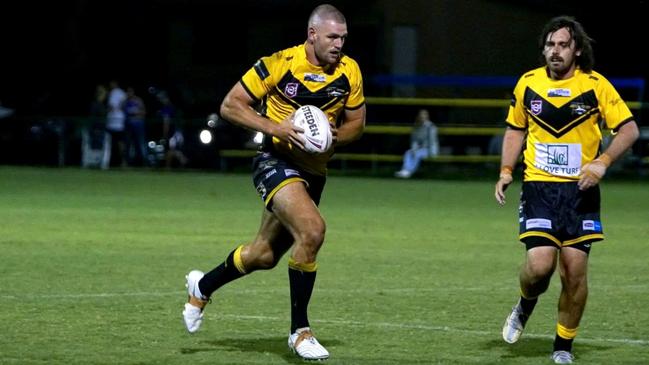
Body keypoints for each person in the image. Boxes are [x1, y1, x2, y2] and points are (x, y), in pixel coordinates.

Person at [182, 4, 365, 361]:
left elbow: (357, 123)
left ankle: (201, 286)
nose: (339, 44)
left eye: (343, 37)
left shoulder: (350, 71)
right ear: (313, 34)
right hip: (275, 161)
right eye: (332, 37)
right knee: (312, 231)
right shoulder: (280, 63)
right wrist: (276, 128)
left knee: (263, 255)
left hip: (314, 172)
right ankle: (300, 333)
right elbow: (230, 105)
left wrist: (332, 139)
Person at [495, 16, 639, 364]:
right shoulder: (528, 83)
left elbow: (630, 130)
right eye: (549, 44)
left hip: (581, 192)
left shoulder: (596, 85)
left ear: (576, 49)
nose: (554, 51)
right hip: (540, 188)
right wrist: (505, 170)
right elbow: (516, 130)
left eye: (562, 45)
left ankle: (563, 346)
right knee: (539, 267)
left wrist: (602, 162)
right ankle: (525, 304)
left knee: (574, 272)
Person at [395, 108, 439, 178]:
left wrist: (420, 149)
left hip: (430, 150)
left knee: (418, 154)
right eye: (421, 115)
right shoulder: (416, 126)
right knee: (408, 152)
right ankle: (405, 170)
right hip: (420, 148)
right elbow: (414, 140)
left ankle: (409, 171)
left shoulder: (431, 126)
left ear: (427, 116)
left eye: (424, 115)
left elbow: (432, 141)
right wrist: (414, 148)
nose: (422, 117)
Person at [124, 87, 147, 166]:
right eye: (127, 92)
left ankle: (144, 163)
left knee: (140, 144)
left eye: (130, 92)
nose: (129, 94)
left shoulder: (138, 101)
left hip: (138, 125)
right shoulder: (126, 101)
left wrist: (136, 112)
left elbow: (144, 112)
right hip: (128, 126)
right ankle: (128, 162)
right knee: (128, 144)